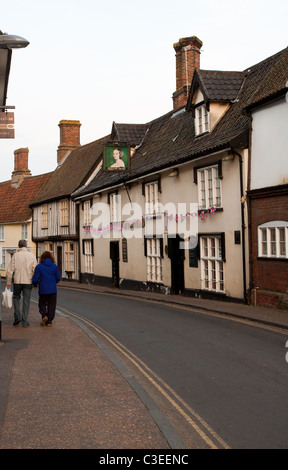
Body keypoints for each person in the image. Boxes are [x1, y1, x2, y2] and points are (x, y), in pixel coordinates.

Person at [6, 239, 37, 327]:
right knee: (26, 301)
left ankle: (17, 316)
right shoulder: (32, 255)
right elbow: (35, 270)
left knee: (16, 298)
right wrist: (35, 283)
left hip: (17, 281)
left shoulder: (15, 255)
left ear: (19, 246)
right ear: (26, 246)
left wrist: (8, 282)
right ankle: (25, 320)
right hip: (28, 281)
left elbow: (9, 271)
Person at [32, 251, 61, 327]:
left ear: (42, 258)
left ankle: (44, 315)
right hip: (52, 290)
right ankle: (49, 321)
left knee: (42, 303)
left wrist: (35, 284)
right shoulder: (54, 266)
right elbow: (58, 277)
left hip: (43, 289)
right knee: (52, 305)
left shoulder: (39, 267)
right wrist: (54, 282)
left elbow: (35, 278)